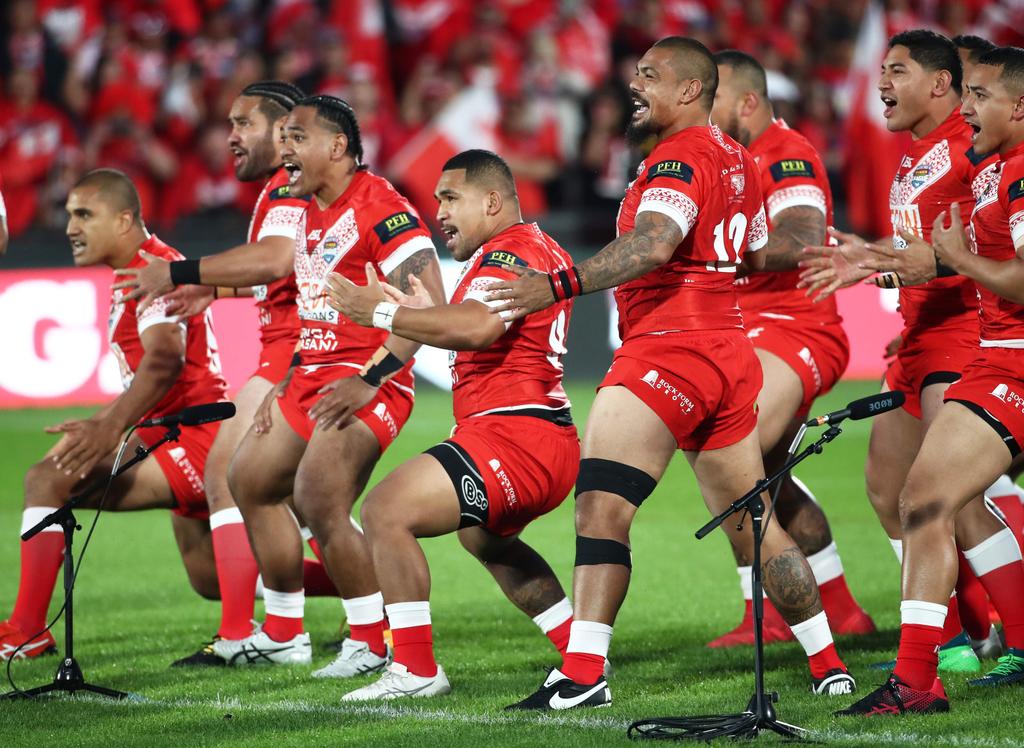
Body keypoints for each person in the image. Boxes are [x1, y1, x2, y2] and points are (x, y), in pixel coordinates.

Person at [488, 37, 855, 709]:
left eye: (649, 76)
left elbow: (655, 242)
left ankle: (583, 673)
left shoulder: (678, 158)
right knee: (754, 519)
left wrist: (559, 284)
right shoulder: (739, 160)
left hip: (668, 349)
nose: (635, 85)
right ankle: (828, 662)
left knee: (601, 506)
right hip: (727, 350)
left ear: (690, 91)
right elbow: (744, 249)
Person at [324, 149, 581, 700]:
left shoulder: (513, 251)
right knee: (488, 540)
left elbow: (479, 327)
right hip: (535, 435)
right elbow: (470, 324)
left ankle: (415, 670)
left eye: (450, 197)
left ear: (492, 201)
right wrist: (420, 312)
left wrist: (383, 314)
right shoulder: (522, 248)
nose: (438, 211)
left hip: (516, 436)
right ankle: (580, 652)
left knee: (385, 510)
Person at [209, 95, 446, 675]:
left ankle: (370, 642)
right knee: (251, 480)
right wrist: (282, 379)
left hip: (367, 379)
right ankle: (286, 631)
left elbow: (431, 305)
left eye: (297, 137)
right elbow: (310, 310)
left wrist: (374, 378)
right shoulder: (308, 208)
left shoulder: (383, 208)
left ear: (337, 147)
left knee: (319, 498)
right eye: (282, 136)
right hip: (308, 375)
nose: (283, 148)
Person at [113, 81, 340, 667]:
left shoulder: (289, 187)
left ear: (285, 130)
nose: (231, 137)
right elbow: (279, 274)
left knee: (228, 472)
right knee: (301, 500)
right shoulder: (279, 190)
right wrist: (212, 287)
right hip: (291, 346)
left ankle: (251, 635)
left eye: (244, 123)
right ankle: (350, 604)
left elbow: (276, 260)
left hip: (297, 349)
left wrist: (180, 271)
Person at [799, 30, 1004, 673]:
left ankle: (1009, 635)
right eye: (881, 69)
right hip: (917, 338)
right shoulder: (916, 156)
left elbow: (975, 252)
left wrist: (878, 265)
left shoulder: (972, 152)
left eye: (897, 71)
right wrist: (875, 260)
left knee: (954, 498)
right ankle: (953, 633)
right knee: (890, 490)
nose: (881, 83)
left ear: (940, 84)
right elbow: (923, 251)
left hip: (965, 334)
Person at [836, 45, 1024, 715]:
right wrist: (882, 265)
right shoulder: (982, 166)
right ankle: (932, 665)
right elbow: (940, 257)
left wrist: (956, 260)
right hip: (976, 351)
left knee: (946, 496)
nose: (969, 109)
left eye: (980, 97)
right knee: (914, 495)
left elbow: (1006, 273)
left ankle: (937, 667)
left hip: (999, 354)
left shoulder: (1008, 171)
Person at [0, 169, 229, 660]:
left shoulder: (156, 268)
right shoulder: (140, 267)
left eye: (84, 214)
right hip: (169, 429)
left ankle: (26, 630)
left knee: (47, 480)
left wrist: (109, 425)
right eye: (67, 215)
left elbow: (164, 359)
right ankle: (359, 593)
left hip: (194, 434)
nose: (69, 227)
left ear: (125, 219)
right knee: (211, 578)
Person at [706, 49, 874, 648]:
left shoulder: (786, 152)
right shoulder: (719, 160)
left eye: (713, 94)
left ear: (748, 102)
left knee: (732, 452)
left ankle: (772, 618)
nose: (701, 104)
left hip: (795, 326)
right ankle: (842, 608)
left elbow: (803, 236)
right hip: (742, 330)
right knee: (766, 476)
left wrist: (723, 251)